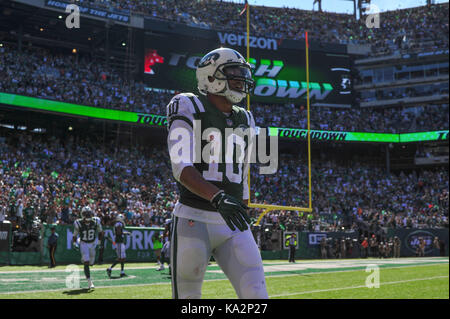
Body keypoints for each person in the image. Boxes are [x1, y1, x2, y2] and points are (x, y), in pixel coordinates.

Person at [166, 47, 268, 299]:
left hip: (232, 222)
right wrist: (218, 197)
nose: (241, 80)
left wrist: (242, 207)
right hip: (194, 218)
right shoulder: (187, 104)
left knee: (256, 296)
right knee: (188, 299)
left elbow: (243, 175)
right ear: (210, 77)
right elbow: (180, 166)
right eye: (234, 74)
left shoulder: (246, 118)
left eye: (243, 74)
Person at [72, 206, 103, 289]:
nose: (88, 215)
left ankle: (86, 259)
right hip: (84, 243)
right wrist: (74, 242)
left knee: (91, 263)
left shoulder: (96, 221)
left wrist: (99, 242)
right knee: (86, 262)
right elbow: (74, 235)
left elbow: (100, 232)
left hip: (93, 243)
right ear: (82, 215)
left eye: (89, 213)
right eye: (86, 214)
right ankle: (90, 282)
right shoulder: (78, 223)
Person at [106, 214, 130, 278]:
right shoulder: (119, 224)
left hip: (120, 242)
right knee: (120, 258)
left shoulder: (118, 224)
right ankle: (110, 268)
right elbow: (118, 232)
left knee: (123, 258)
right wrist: (125, 233)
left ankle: (122, 272)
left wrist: (125, 233)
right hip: (119, 242)